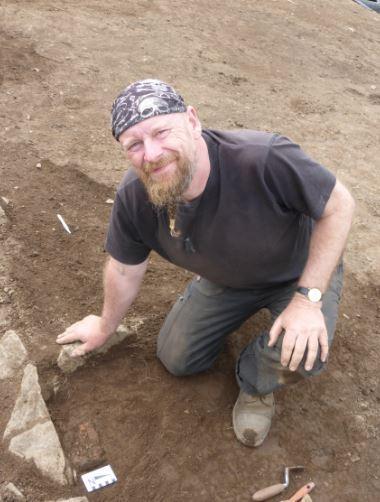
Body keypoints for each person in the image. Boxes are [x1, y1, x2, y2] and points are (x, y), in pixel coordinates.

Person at [56, 79, 355, 447]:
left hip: (299, 272)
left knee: (302, 353)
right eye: (134, 144)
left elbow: (339, 205)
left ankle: (256, 383)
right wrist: (105, 325)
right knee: (176, 358)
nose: (151, 154)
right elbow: (123, 268)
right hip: (228, 278)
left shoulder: (263, 158)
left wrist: (307, 299)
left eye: (161, 132)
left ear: (192, 121)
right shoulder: (135, 198)